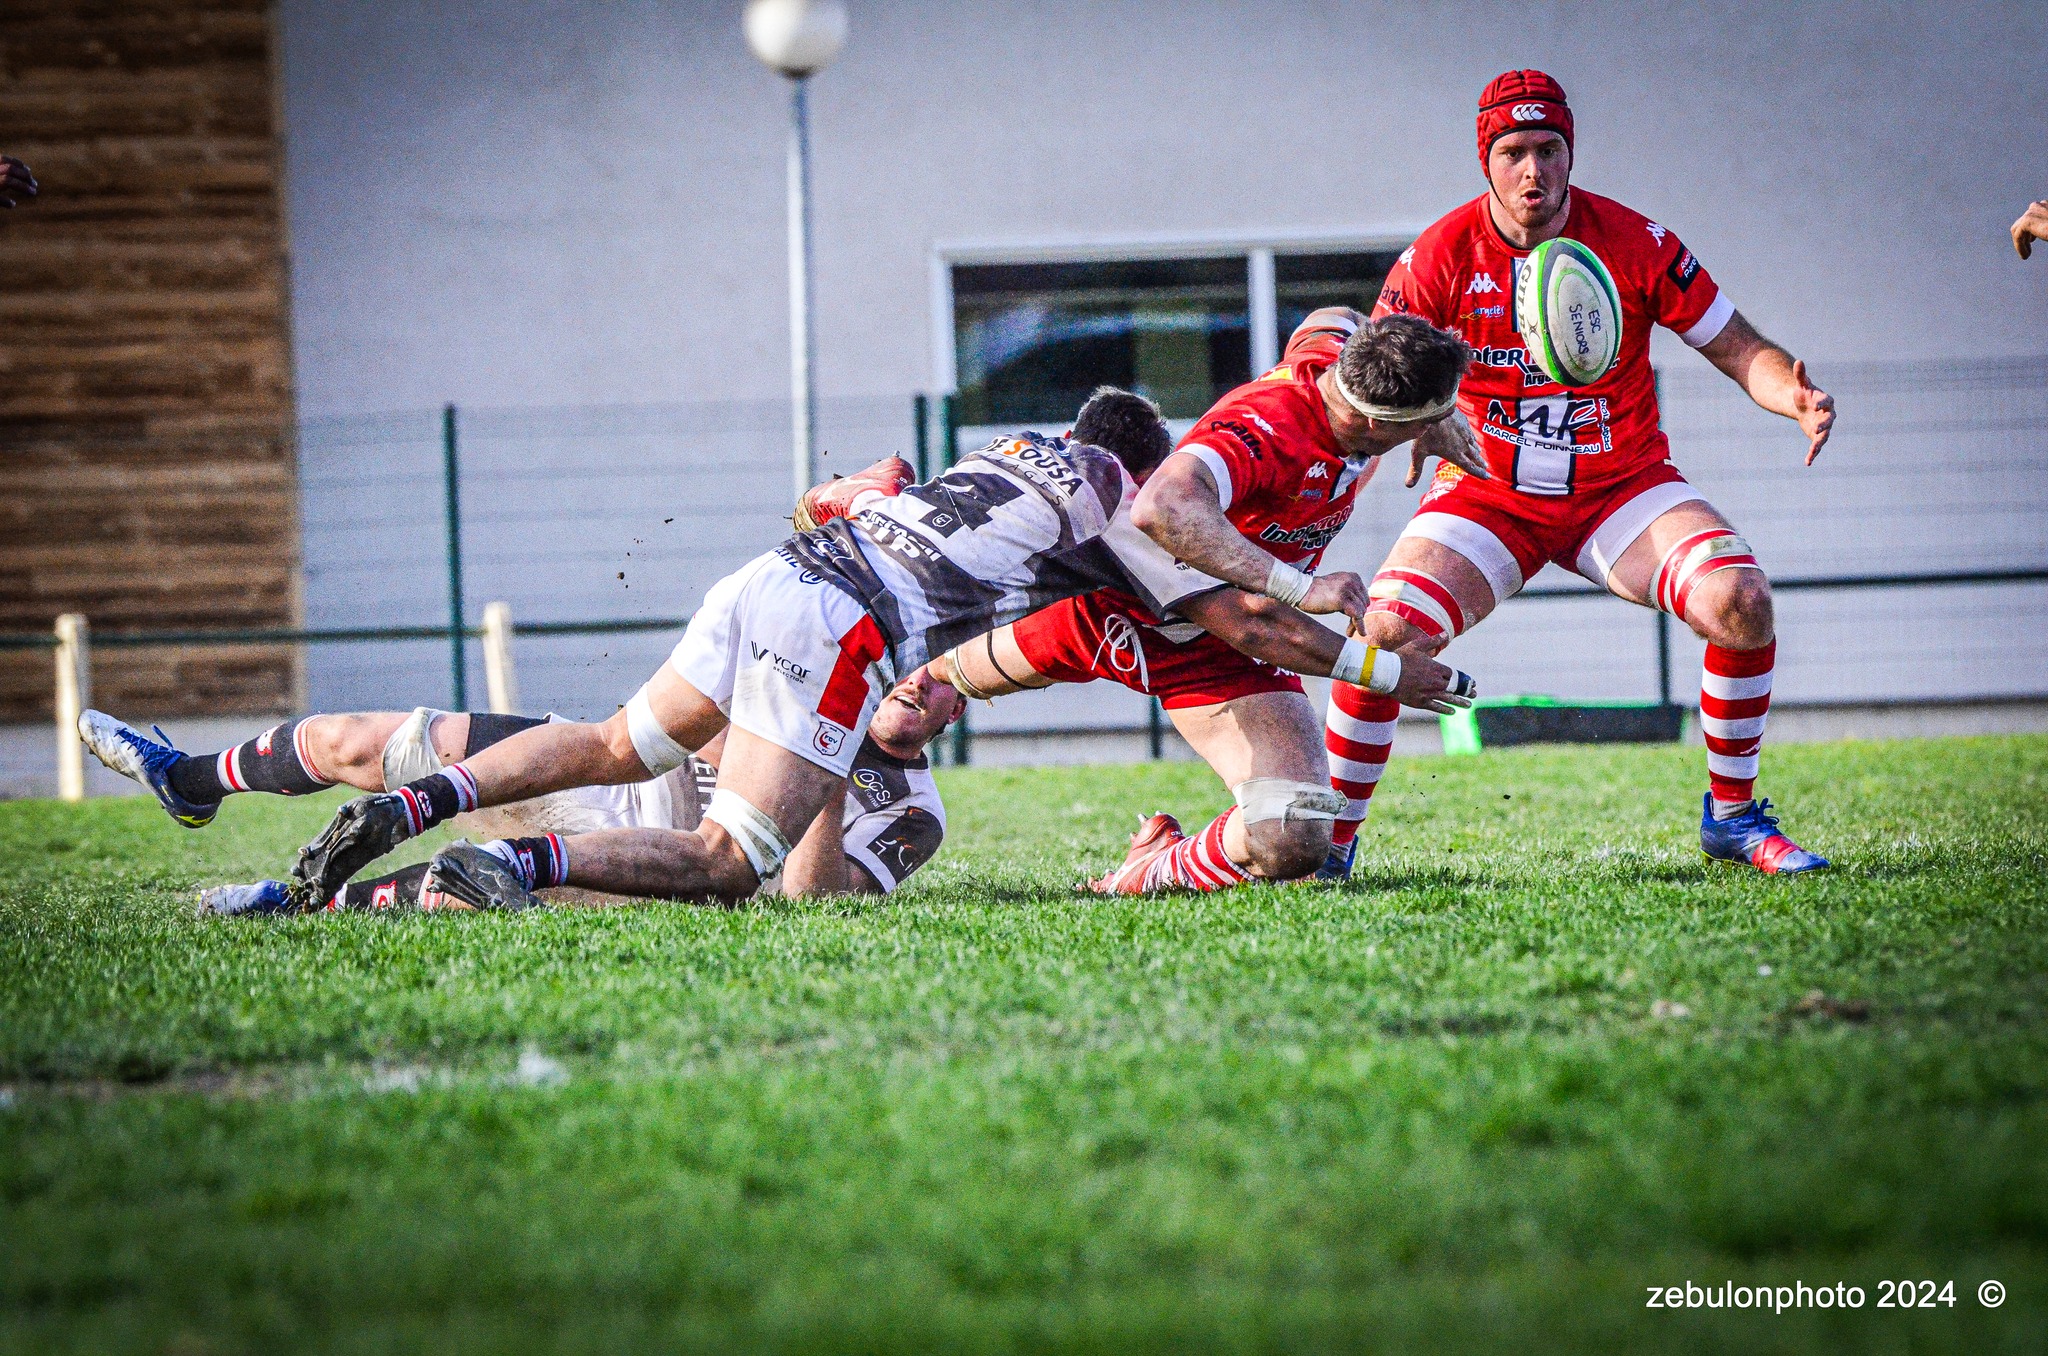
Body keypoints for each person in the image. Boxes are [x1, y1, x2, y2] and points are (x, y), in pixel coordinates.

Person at [288, 387, 1468, 911]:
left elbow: (843, 498)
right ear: (1143, 462)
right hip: (836, 625)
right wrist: (1378, 668)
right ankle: (514, 870)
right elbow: (1246, 621)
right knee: (722, 866)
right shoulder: (1123, 512)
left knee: (609, 742)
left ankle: (421, 803)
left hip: (767, 576)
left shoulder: (1009, 449)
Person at [1325, 69, 1839, 878]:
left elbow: (1739, 348)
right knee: (1384, 633)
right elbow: (1381, 373)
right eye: (1515, 152)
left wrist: (1794, 395)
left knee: (1740, 600)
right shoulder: (1440, 255)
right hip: (1489, 492)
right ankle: (1331, 841)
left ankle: (1733, 819)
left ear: (1572, 153)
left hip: (1620, 487)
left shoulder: (1638, 242)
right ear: (1485, 161)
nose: (1534, 171)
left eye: (1550, 150)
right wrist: (1420, 421)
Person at [77, 665, 965, 913]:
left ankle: (295, 903)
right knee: (354, 741)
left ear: (961, 708)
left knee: (465, 887)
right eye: (913, 664)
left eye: (941, 682)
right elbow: (668, 715)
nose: (917, 682)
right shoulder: (808, 661)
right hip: (589, 764)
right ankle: (190, 779)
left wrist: (827, 756)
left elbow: (816, 899)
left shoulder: (916, 815)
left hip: (644, 868)